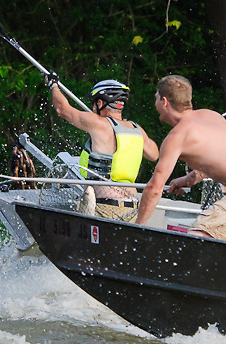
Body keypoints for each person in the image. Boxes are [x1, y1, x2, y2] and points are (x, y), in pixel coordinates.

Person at [47, 76, 159, 220]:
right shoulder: (137, 130)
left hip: (105, 205)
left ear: (100, 103)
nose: (93, 109)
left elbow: (62, 109)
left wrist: (53, 85)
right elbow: (154, 155)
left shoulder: (98, 123)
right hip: (132, 206)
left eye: (94, 104)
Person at [137, 75, 226, 237]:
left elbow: (154, 188)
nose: (155, 103)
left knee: (195, 240)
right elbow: (217, 159)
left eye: (156, 98)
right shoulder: (212, 116)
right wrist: (188, 180)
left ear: (164, 102)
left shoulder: (177, 136)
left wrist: (135, 229)